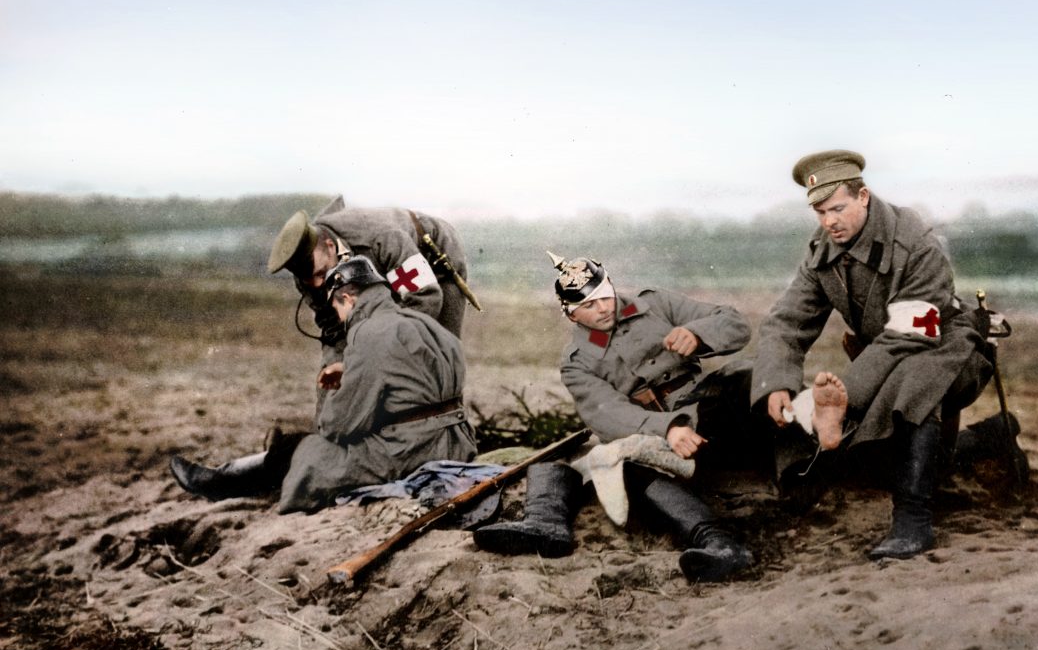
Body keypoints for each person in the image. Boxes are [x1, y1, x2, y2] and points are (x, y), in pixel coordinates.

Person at [752, 149, 994, 560]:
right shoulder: (823, 251)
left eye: (839, 208)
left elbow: (909, 335)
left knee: (915, 381)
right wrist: (775, 381)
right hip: (886, 354)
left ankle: (913, 522)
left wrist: (843, 396)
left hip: (946, 346)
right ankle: (996, 437)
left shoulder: (915, 243)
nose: (830, 221)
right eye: (820, 212)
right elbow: (786, 322)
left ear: (863, 196)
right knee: (881, 456)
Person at [473, 253, 757, 582]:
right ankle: (718, 543)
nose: (604, 308)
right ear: (571, 314)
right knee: (624, 462)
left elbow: (735, 323)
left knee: (746, 376)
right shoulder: (577, 362)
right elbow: (608, 413)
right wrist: (667, 428)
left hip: (707, 405)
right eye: (589, 305)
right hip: (652, 430)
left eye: (604, 296)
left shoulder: (657, 303)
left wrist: (697, 333)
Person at [170, 256, 477, 513]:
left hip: (412, 451)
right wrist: (352, 370)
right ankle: (225, 478)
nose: (342, 319)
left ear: (348, 297)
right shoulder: (425, 325)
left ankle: (220, 484)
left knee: (306, 448)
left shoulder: (367, 332)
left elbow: (340, 424)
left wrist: (337, 393)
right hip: (456, 443)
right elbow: (414, 378)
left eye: (338, 309)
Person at [268, 196, 474, 404]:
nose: (320, 284)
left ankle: (449, 427)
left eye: (322, 273)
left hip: (433, 255)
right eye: (309, 280)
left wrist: (375, 353)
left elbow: (425, 298)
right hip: (381, 268)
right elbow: (334, 333)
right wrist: (338, 372)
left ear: (330, 246)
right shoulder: (310, 277)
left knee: (439, 352)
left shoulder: (380, 238)